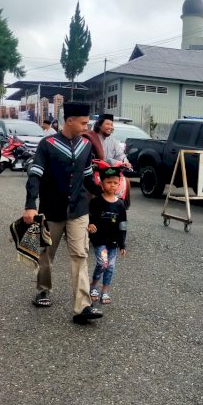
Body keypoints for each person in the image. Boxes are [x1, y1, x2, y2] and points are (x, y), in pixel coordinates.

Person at [23, 101, 103, 323]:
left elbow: (87, 178)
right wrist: (30, 204)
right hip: (51, 210)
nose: (87, 127)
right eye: (84, 123)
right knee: (46, 254)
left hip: (78, 210)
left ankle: (82, 307)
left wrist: (102, 191)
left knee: (80, 254)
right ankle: (43, 289)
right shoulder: (47, 144)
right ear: (70, 120)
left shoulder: (86, 145)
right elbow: (35, 175)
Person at [88, 163, 128, 305]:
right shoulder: (96, 201)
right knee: (103, 263)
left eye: (115, 183)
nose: (112, 185)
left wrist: (123, 244)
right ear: (102, 183)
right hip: (99, 239)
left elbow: (122, 225)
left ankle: (105, 290)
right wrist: (89, 224)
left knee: (110, 266)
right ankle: (93, 285)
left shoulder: (120, 205)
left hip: (114, 241)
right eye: (109, 182)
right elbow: (89, 216)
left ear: (119, 184)